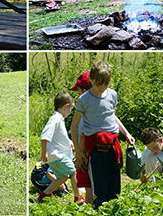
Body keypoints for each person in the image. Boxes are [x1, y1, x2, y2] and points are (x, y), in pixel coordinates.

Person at [71, 61, 135, 210]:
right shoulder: (84, 100)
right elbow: (74, 125)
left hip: (113, 143)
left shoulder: (112, 94)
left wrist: (126, 133)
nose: (101, 88)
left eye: (105, 85)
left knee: (114, 180)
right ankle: (99, 209)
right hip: (95, 146)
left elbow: (112, 116)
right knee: (98, 183)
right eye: (98, 84)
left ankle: (113, 209)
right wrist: (79, 152)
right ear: (91, 80)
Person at [38, 91, 85, 204]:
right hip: (56, 154)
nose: (70, 112)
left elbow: (59, 135)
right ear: (66, 106)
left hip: (56, 155)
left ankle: (44, 194)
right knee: (73, 172)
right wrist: (44, 153)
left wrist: (69, 142)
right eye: (70, 109)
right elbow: (45, 136)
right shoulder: (55, 120)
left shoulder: (59, 119)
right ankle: (78, 197)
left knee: (63, 177)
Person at [70, 71, 94, 205]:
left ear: (84, 91)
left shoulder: (84, 106)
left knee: (87, 180)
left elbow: (83, 133)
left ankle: (90, 206)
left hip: (84, 149)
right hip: (86, 147)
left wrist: (79, 152)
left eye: (79, 91)